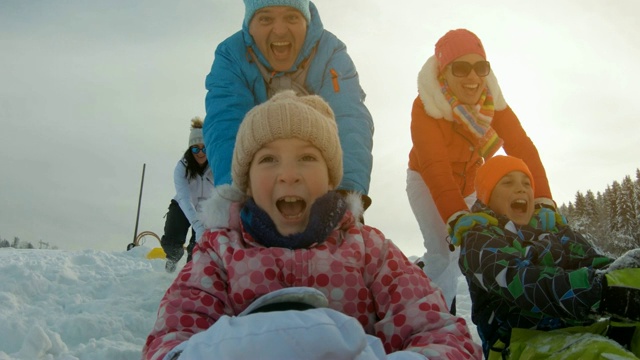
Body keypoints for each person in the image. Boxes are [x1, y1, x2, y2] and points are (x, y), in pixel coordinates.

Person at [142, 91, 482, 360]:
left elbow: (441, 332)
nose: (289, 173)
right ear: (246, 180)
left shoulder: (371, 252)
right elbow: (172, 337)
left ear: (331, 177)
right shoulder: (219, 254)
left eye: (307, 157)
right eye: (268, 159)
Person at [406, 28, 554, 313]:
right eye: (461, 68)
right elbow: (434, 165)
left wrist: (543, 198)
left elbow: (522, 149)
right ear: (443, 72)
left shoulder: (492, 104)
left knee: (472, 248)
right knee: (444, 250)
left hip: (469, 185)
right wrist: (455, 215)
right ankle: (434, 317)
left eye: (480, 67)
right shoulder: (427, 105)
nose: (473, 77)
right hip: (425, 180)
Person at [452, 155, 640, 359]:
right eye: (507, 183)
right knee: (598, 353)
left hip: (581, 330)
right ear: (487, 197)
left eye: (527, 183)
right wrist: (599, 293)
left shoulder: (553, 230)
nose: (521, 188)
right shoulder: (479, 239)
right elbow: (521, 282)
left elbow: (591, 260)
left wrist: (623, 277)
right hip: (518, 343)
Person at [203, 0, 374, 210]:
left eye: (291, 17)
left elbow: (349, 118)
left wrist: (346, 193)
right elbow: (225, 122)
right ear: (250, 23)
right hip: (261, 174)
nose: (280, 30)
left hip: (315, 173)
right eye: (266, 18)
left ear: (306, 21)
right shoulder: (231, 56)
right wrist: (235, 195)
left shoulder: (330, 53)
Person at [160, 117, 214, 273]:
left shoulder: (217, 165)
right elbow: (184, 197)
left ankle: (190, 275)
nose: (200, 153)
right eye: (195, 149)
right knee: (171, 243)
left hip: (206, 209)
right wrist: (196, 225)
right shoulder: (181, 168)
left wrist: (202, 227)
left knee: (197, 249)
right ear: (190, 149)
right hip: (183, 206)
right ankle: (172, 259)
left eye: (204, 148)